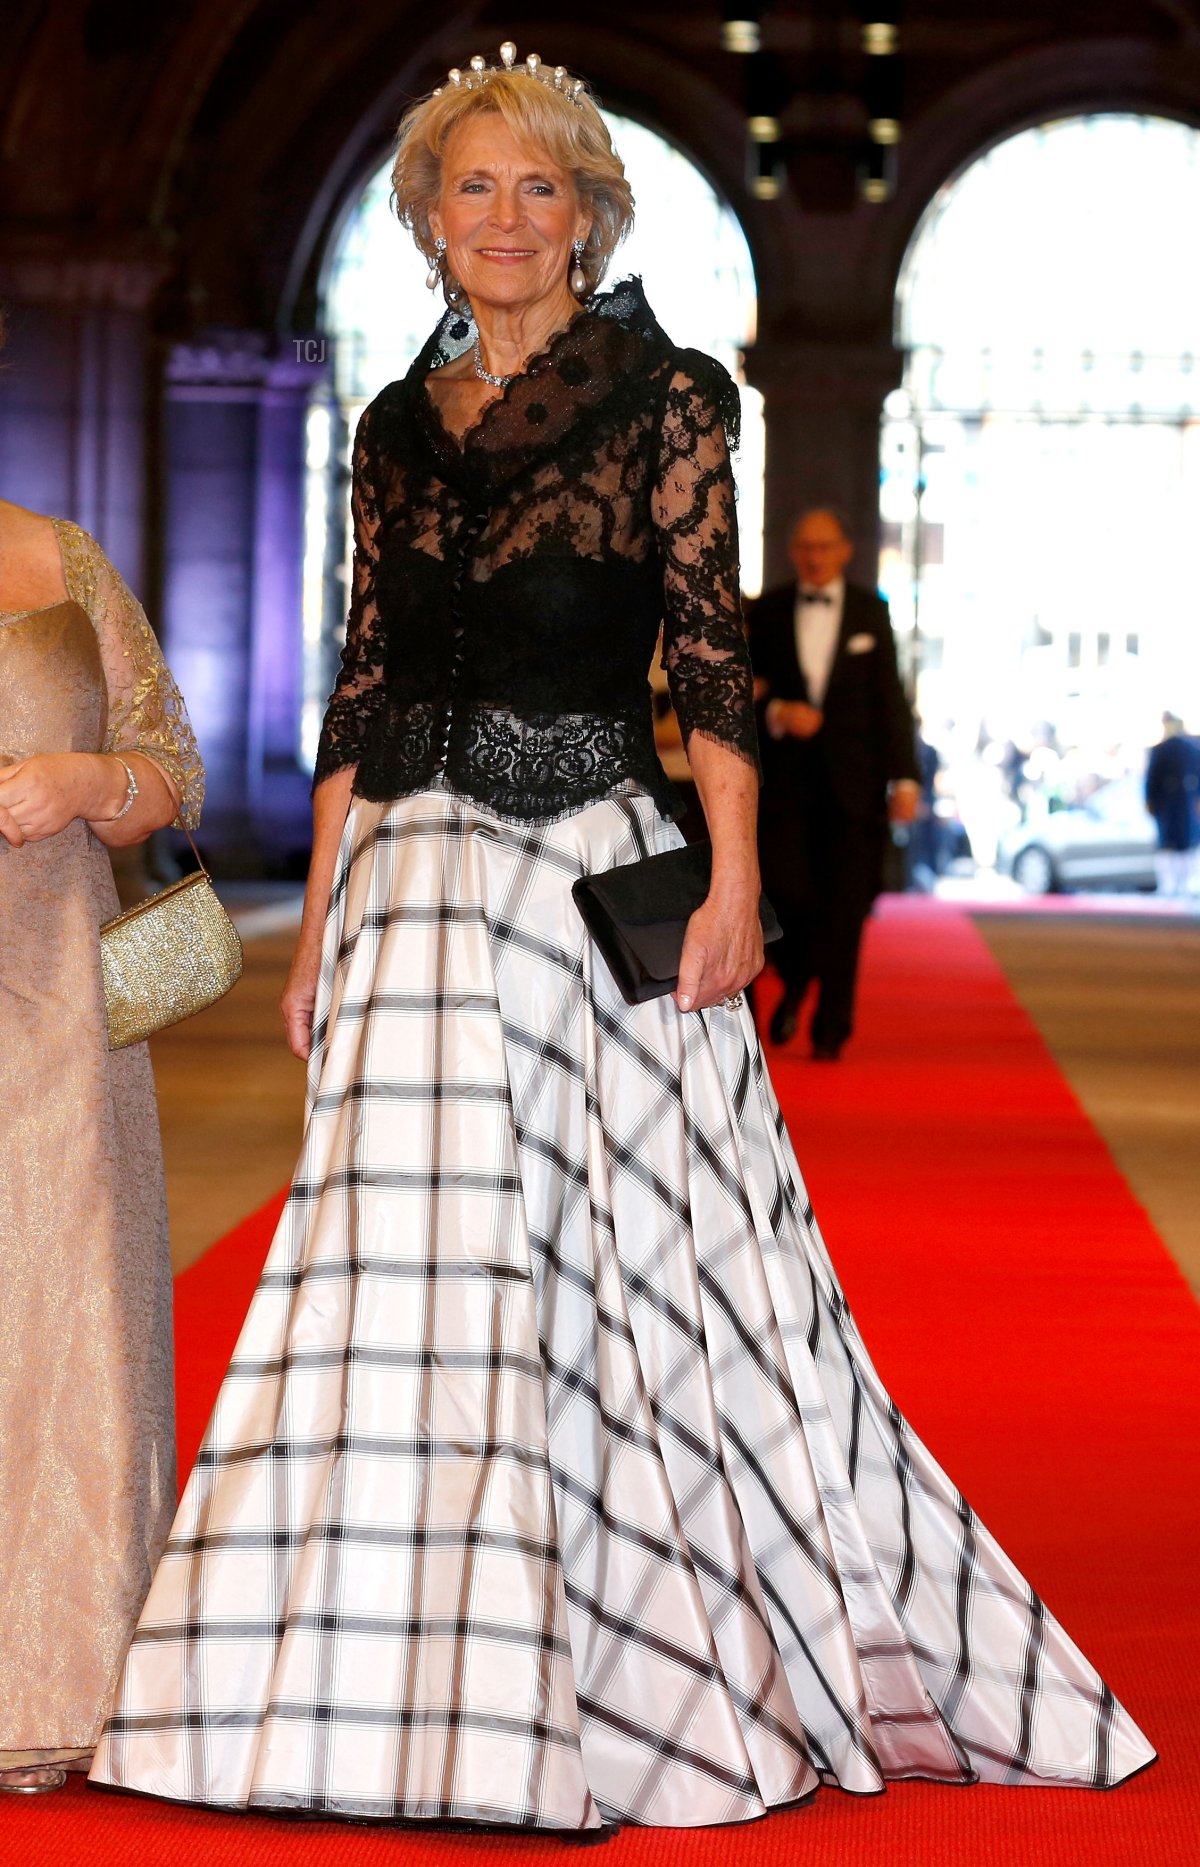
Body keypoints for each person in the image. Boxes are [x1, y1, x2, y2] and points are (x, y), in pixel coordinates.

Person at [91, 48, 1153, 1830]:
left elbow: (710, 659)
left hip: (588, 867)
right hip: (411, 883)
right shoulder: (392, 427)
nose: (506, 218)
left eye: (542, 188)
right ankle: (371, 1692)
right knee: (394, 1260)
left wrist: (735, 881)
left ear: (589, 213)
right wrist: (321, 918)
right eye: (474, 187)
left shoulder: (667, 397)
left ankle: (635, 1655)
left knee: (622, 1262)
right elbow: (366, 676)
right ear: (429, 217)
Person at [0, 484, 204, 1792]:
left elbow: (170, 767)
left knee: (68, 1301)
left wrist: (89, 779)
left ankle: (57, 1671)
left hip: (60, 993)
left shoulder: (61, 555)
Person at [749, 508, 920, 1058]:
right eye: (805, 546)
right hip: (785, 786)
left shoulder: (872, 610)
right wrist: (778, 712)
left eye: (824, 546)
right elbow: (743, 695)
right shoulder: (769, 610)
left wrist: (906, 778)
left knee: (847, 911)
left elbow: (890, 699)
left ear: (845, 550)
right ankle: (797, 976)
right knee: (787, 894)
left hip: (856, 786)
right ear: (792, 552)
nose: (815, 556)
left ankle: (831, 1029)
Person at [1145, 711, 1200, 895]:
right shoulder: (1162, 750)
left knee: (1186, 846)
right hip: (1169, 808)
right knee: (1171, 847)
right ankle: (1172, 886)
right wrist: (1151, 803)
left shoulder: (1191, 748)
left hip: (1184, 805)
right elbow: (1152, 782)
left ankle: (1184, 884)